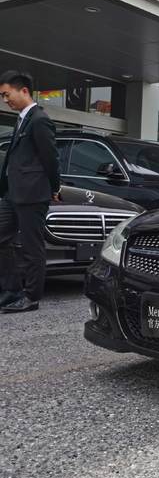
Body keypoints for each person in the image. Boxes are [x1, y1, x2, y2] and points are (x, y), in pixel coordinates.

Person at [0, 71, 60, 313]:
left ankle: (31, 297)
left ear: (23, 90)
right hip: (12, 194)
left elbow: (51, 158)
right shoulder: (23, 119)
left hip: (32, 195)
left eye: (6, 94)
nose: (5, 100)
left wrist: (55, 187)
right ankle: (10, 292)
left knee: (32, 246)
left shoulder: (39, 119)